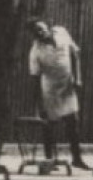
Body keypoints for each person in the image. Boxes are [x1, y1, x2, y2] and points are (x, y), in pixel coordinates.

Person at [28, 19, 88, 169]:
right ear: (34, 36)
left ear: (47, 26)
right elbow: (35, 79)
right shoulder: (36, 51)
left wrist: (78, 77)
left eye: (41, 28)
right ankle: (49, 161)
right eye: (37, 32)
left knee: (73, 123)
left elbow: (75, 54)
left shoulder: (61, 32)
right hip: (50, 91)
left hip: (67, 86)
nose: (41, 33)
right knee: (48, 125)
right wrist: (40, 104)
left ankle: (77, 159)